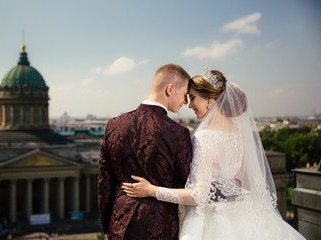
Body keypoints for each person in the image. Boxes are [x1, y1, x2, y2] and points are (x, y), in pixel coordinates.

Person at [122, 69, 306, 240]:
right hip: (244, 212)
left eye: (193, 98)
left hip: (211, 220)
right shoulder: (239, 133)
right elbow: (239, 179)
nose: (190, 105)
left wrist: (152, 191)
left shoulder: (204, 137)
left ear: (210, 99)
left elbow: (199, 195)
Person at [97, 64, 193, 239]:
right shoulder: (178, 133)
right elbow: (186, 183)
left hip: (119, 225)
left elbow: (105, 182)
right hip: (161, 226)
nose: (186, 102)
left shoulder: (114, 124)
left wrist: (107, 226)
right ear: (170, 89)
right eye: (185, 95)